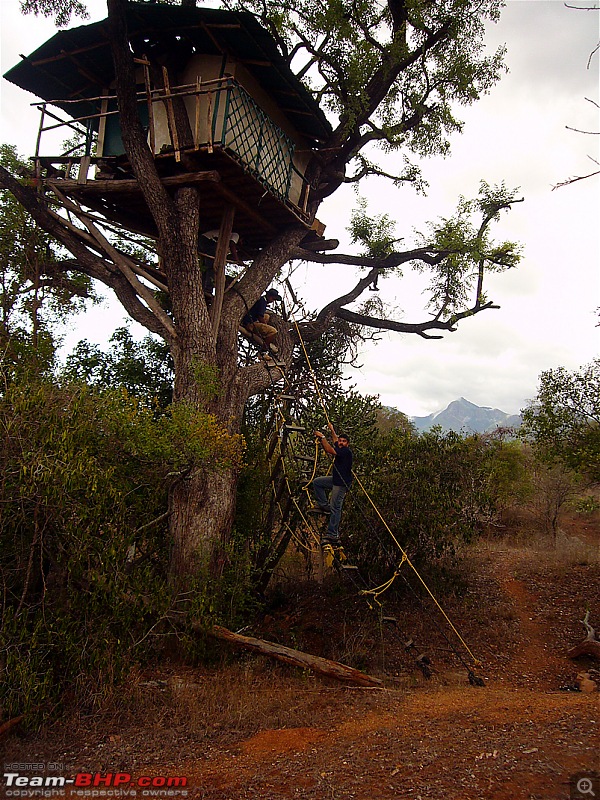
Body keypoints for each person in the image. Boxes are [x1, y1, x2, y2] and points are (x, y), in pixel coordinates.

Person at [312, 422, 353, 544]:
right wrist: (332, 430)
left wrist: (322, 437)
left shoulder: (345, 452)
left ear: (347, 444)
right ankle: (324, 505)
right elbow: (335, 441)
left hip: (341, 484)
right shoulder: (340, 447)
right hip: (335, 480)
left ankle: (333, 534)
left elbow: (329, 449)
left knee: (336, 507)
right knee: (317, 482)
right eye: (340, 441)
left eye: (343, 441)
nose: (340, 443)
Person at [241, 288, 282, 353]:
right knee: (273, 331)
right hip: (250, 323)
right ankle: (264, 350)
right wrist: (265, 326)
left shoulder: (262, 300)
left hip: (249, 319)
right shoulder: (262, 302)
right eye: (273, 299)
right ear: (269, 296)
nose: (273, 301)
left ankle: (262, 333)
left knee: (267, 316)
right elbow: (260, 317)